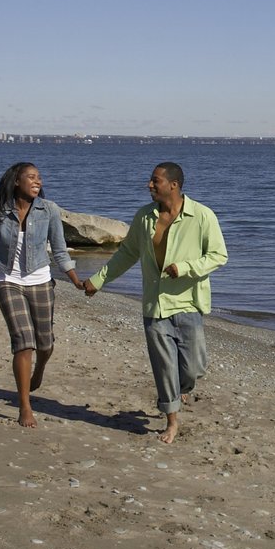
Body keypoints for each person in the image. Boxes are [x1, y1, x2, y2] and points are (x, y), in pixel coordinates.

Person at [83, 161, 227, 444]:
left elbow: (219, 256)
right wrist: (98, 280)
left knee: (194, 367)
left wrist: (185, 268)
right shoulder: (144, 217)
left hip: (188, 303)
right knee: (163, 368)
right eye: (151, 181)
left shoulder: (202, 216)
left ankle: (182, 388)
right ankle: (171, 420)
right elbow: (127, 254)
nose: (149, 185)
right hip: (155, 306)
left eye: (155, 181)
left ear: (173, 185)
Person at [0, 162, 84, 428]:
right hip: (8, 281)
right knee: (23, 342)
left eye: (39, 177)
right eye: (31, 177)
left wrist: (76, 281)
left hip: (41, 281)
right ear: (16, 181)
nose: (37, 181)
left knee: (45, 344)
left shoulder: (49, 210)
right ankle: (24, 406)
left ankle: (39, 370)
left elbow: (60, 251)